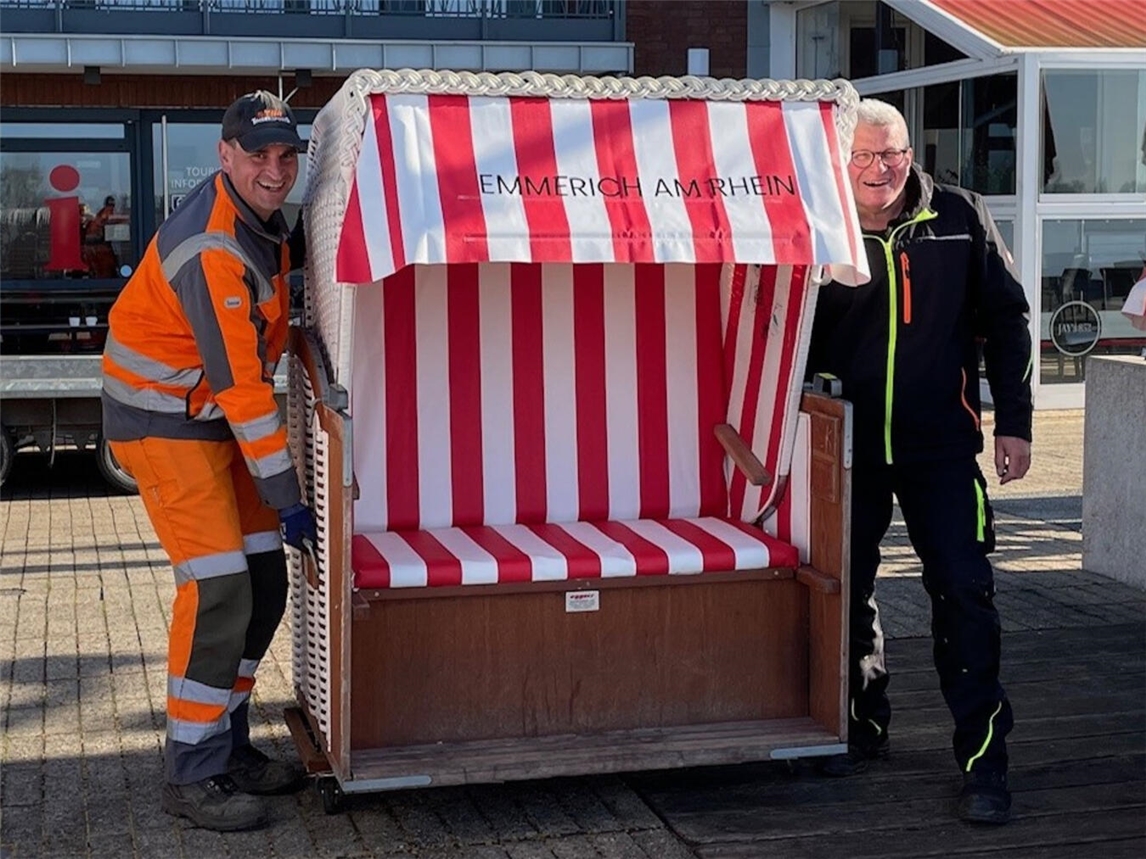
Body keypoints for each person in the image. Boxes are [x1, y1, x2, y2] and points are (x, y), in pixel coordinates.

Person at [807, 99, 1032, 825]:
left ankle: (984, 764)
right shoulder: (822, 225)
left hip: (942, 447)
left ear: (912, 151)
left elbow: (1007, 319)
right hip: (849, 451)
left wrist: (1015, 423)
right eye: (865, 156)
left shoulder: (960, 216)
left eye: (893, 153)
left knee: (965, 594)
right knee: (847, 590)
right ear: (843, 160)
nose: (880, 169)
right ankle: (863, 723)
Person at [100, 91, 316, 832]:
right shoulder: (214, 246)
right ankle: (190, 773)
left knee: (263, 579)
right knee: (220, 586)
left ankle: (227, 744)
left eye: (286, 156)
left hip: (210, 417)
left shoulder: (264, 223)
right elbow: (244, 389)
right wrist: (288, 496)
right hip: (162, 423)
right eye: (258, 155)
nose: (275, 169)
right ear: (225, 157)